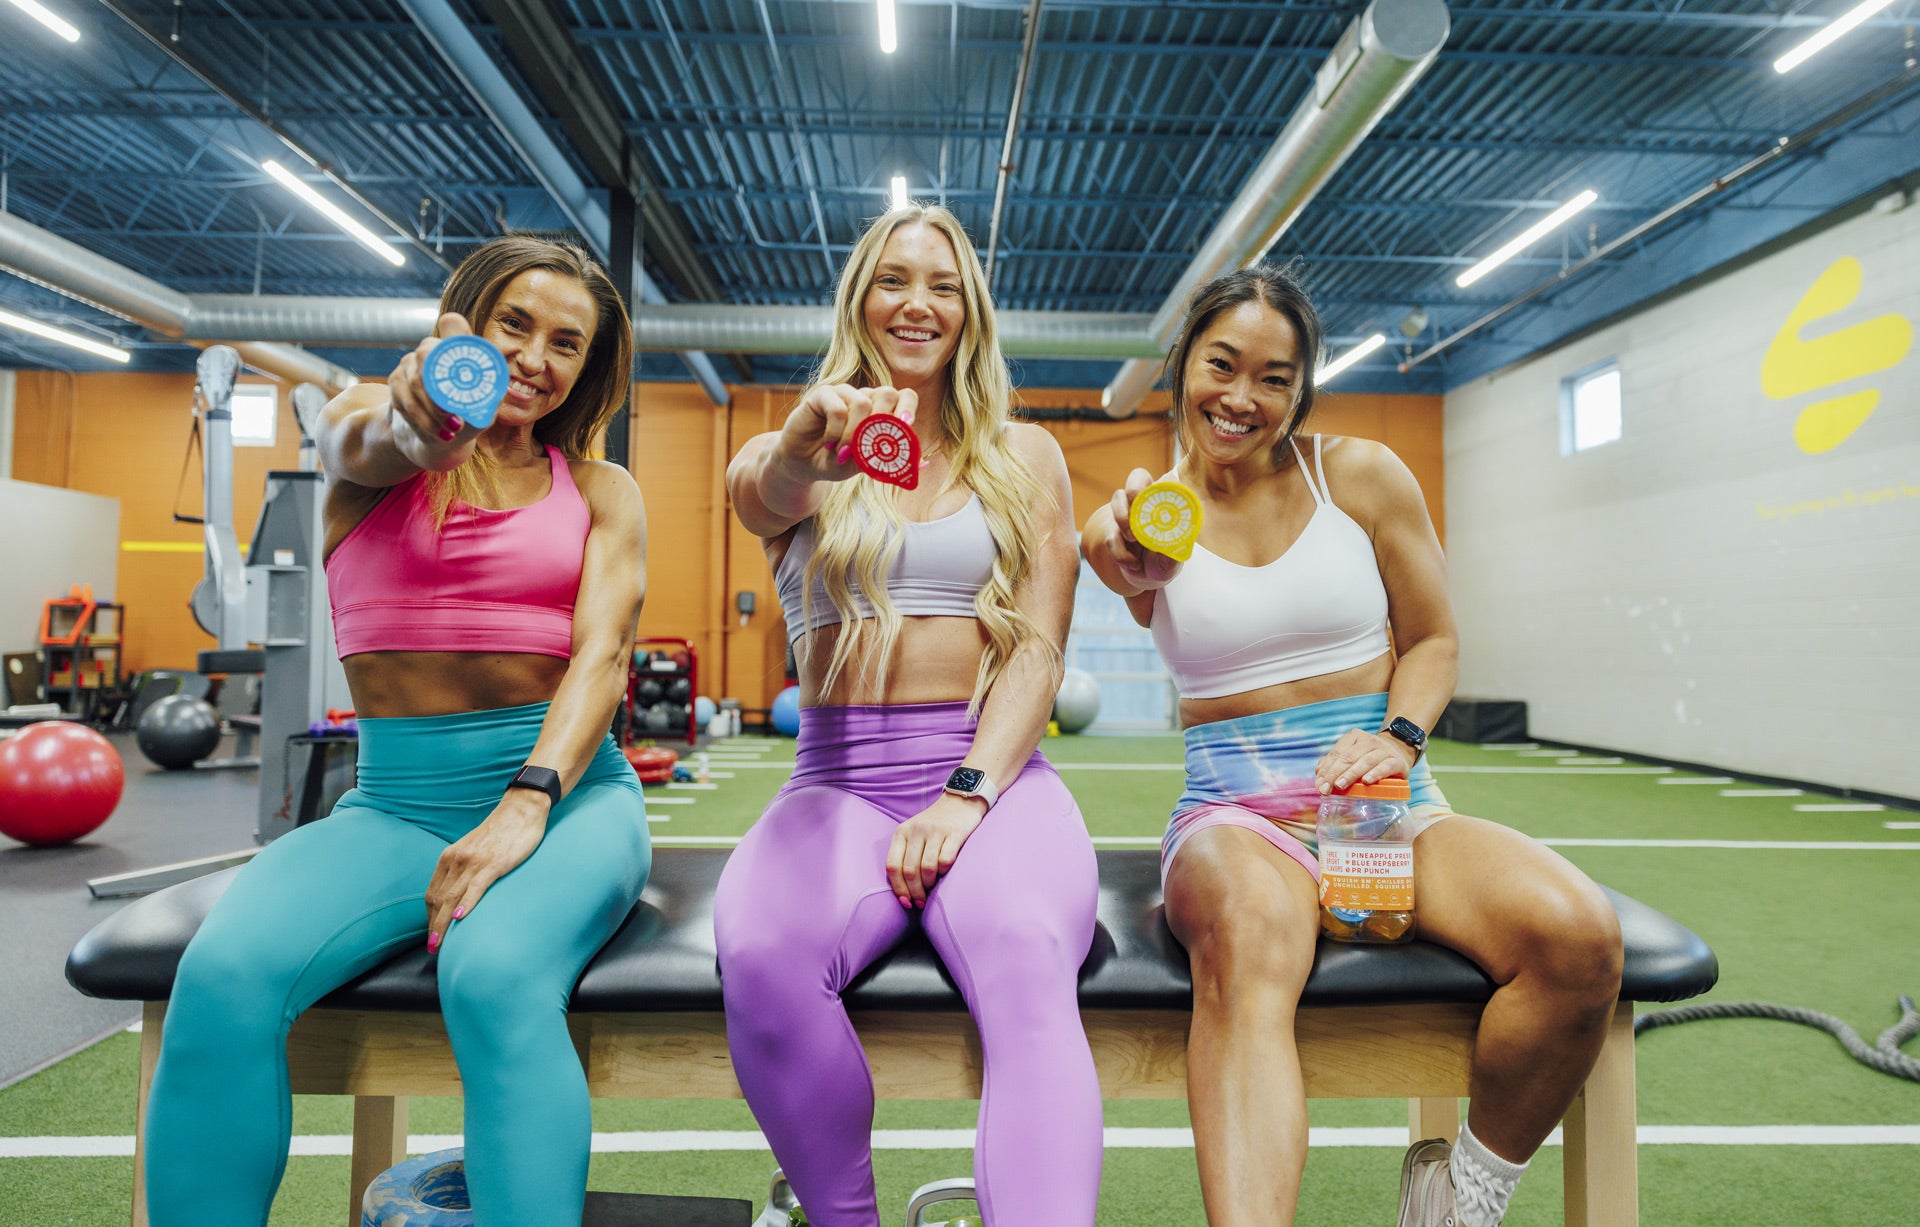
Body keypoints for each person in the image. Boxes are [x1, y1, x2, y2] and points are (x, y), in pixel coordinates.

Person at [1081, 266, 1624, 1227]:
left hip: (1387, 804)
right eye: (1222, 364)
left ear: (1302, 389)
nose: (1242, 396)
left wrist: (1397, 738)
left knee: (1579, 939)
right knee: (1249, 935)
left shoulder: (1362, 476)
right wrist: (1128, 548)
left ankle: (1457, 1199)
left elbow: (1434, 640)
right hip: (1238, 817)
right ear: (1183, 362)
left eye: (1275, 377)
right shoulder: (1143, 518)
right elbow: (1121, 559)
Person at [142, 235, 651, 1227]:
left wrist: (528, 801)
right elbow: (365, 439)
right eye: (513, 325)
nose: (535, 358)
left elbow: (603, 659)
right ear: (464, 325)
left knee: (493, 975)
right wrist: (425, 431)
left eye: (565, 343)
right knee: (224, 974)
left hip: (569, 802)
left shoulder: (601, 490)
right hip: (395, 807)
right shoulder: (369, 433)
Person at [713, 205, 1099, 1227]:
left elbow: (1037, 649)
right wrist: (806, 457)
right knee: (759, 953)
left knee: (1025, 947)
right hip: (836, 781)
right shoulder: (794, 451)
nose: (917, 304)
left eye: (942, 284)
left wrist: (967, 793)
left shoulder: (1026, 455)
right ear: (859, 300)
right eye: (893, 280)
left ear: (970, 310)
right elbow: (761, 491)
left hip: (992, 777)